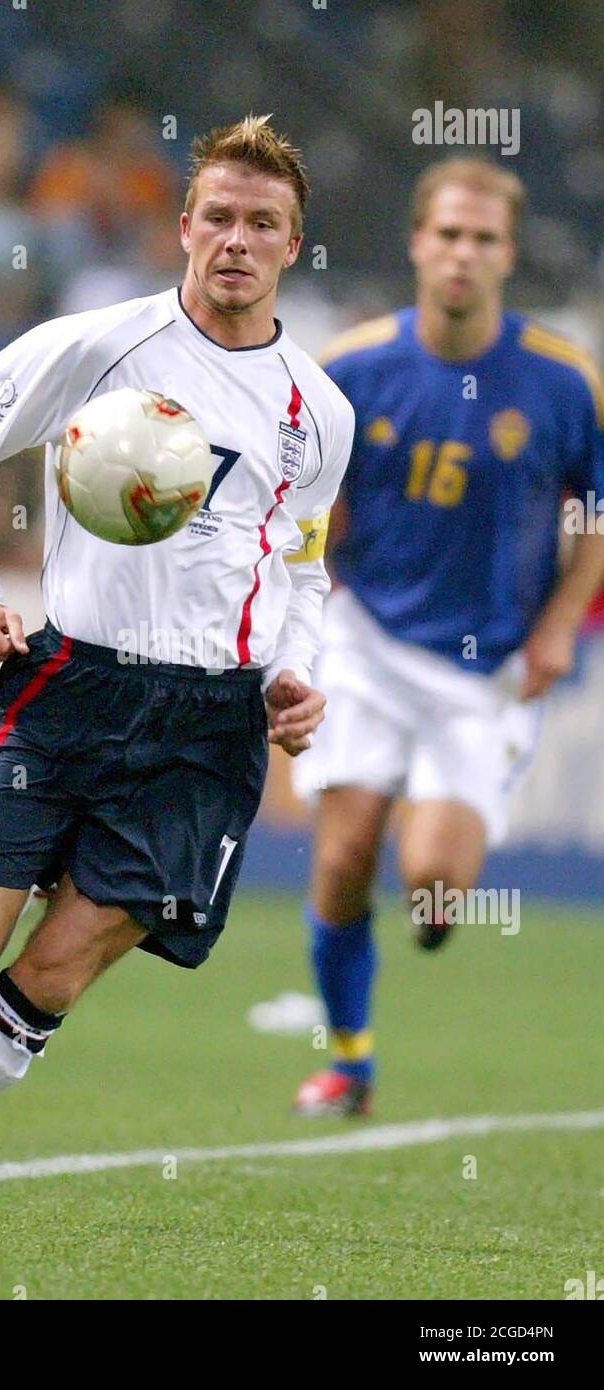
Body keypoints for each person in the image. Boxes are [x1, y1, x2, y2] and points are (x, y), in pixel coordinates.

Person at [0, 115, 354, 1208]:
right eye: (218, 217)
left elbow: (303, 565)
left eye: (261, 223)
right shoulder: (96, 346)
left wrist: (293, 668)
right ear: (183, 226)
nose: (236, 239)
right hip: (68, 688)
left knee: (50, 975)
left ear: (291, 243)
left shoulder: (316, 412)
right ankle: (44, 847)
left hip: (205, 730)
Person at [291, 158, 604, 1118]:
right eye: (448, 234)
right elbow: (306, 508)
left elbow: (593, 515)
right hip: (369, 644)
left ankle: (428, 917)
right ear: (419, 244)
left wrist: (558, 628)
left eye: (483, 238)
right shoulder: (350, 367)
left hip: (489, 669)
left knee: (431, 881)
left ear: (507, 254)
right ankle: (350, 1061)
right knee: (345, 859)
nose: (463, 253)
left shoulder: (563, 379)